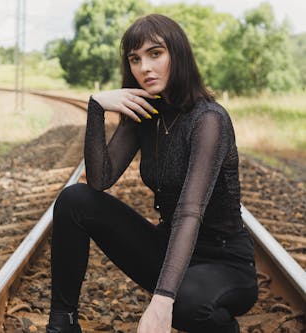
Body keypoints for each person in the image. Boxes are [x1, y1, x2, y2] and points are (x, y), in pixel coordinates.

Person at [46, 14, 258, 333]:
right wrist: (96, 108)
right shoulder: (146, 113)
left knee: (185, 303)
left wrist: (162, 300)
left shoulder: (209, 120)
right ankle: (63, 323)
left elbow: (190, 211)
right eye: (135, 58)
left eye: (155, 54)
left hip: (222, 261)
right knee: (74, 199)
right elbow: (100, 179)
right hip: (169, 249)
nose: (144, 67)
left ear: (178, 55)